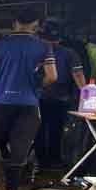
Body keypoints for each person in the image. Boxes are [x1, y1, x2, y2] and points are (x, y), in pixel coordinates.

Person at [0, 8, 57, 190]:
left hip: (0, 102)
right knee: (20, 149)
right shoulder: (44, 47)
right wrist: (36, 89)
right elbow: (52, 77)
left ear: (14, 23)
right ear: (36, 25)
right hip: (28, 104)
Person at [35, 20, 86, 169]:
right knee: (55, 130)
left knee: (40, 130)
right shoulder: (69, 53)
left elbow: (78, 75)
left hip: (41, 97)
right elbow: (78, 76)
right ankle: (53, 159)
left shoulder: (37, 51)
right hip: (59, 98)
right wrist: (87, 98)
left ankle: (42, 160)